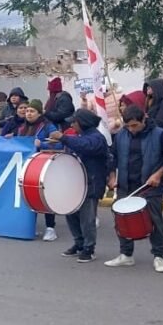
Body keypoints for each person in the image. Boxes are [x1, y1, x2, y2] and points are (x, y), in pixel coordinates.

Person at [105, 105, 163, 272]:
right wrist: (112, 177)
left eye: (135, 125)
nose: (131, 129)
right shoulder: (121, 135)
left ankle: (159, 256)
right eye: (128, 126)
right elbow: (112, 157)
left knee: (155, 222)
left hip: (149, 187)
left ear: (143, 119)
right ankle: (126, 254)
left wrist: (159, 174)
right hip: (126, 185)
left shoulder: (159, 134)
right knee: (121, 220)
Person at [49, 109, 112, 263]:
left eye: (74, 122)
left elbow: (85, 147)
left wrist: (63, 138)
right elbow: (74, 148)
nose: (71, 124)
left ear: (83, 123)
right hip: (75, 183)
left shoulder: (97, 138)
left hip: (91, 183)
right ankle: (79, 243)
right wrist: (57, 143)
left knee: (87, 219)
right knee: (71, 214)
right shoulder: (79, 137)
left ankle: (89, 249)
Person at [19, 100, 61, 242]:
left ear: (39, 113)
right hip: (28, 166)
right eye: (27, 111)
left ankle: (51, 228)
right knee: (28, 196)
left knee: (45, 196)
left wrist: (41, 144)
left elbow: (59, 143)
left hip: (44, 166)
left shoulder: (48, 126)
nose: (28, 114)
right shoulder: (22, 128)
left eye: (32, 111)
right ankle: (30, 225)